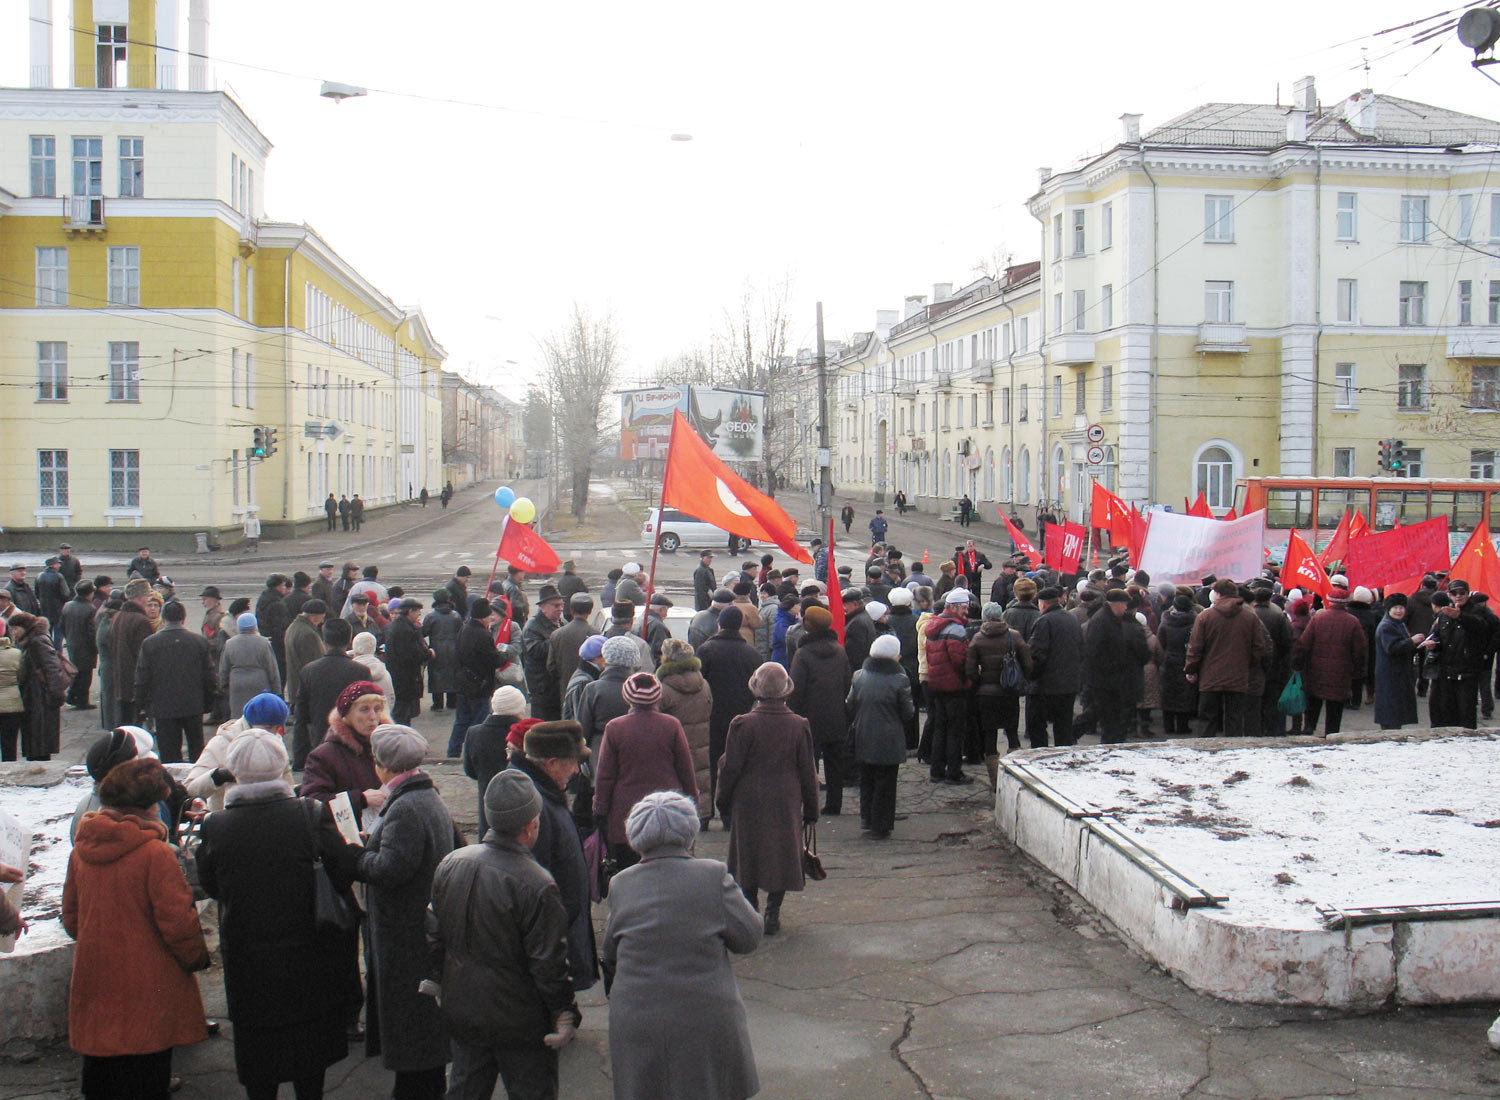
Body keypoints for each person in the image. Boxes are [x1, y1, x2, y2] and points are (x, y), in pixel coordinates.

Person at [196, 731, 362, 1100]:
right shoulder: (308, 814)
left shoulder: (217, 826)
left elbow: (211, 886)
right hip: (307, 948)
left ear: (235, 771)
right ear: (282, 767)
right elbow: (342, 871)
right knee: (309, 1053)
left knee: (259, 1053)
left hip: (248, 954)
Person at [428, 770, 581, 1100]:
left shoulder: (452, 863)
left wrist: (436, 978)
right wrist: (564, 1011)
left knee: (465, 1090)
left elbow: (435, 933)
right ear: (531, 824)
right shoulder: (537, 883)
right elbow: (548, 965)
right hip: (521, 1023)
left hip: (464, 1012)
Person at [63, 757, 209, 1100]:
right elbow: (178, 923)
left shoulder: (82, 850)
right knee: (147, 1079)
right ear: (151, 806)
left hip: (95, 979)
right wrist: (195, 958)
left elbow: (71, 918)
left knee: (101, 1076)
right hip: (149, 985)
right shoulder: (154, 854)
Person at [602, 791, 760, 1100]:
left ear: (636, 837)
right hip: (703, 1014)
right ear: (688, 833)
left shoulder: (621, 884)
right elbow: (749, 936)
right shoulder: (713, 876)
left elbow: (611, 951)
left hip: (637, 1017)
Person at [355, 725, 454, 1100]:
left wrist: (358, 857)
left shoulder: (406, 808)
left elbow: (389, 870)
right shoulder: (424, 797)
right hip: (420, 927)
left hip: (406, 934)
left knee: (413, 1030)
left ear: (382, 766)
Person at [716, 662, 819, 935]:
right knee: (782, 854)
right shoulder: (799, 726)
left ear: (755, 690)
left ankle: (751, 911)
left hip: (748, 799)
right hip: (786, 799)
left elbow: (731, 767)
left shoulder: (742, 724)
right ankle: (773, 912)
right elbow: (808, 771)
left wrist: (722, 799)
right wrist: (811, 809)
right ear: (786, 692)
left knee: (747, 854)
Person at [592, 672, 698, 873]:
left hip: (626, 813)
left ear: (627, 696)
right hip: (668, 812)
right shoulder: (671, 725)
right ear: (657, 696)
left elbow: (605, 775)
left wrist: (600, 809)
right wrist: (692, 802)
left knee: (629, 872)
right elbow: (686, 770)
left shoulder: (615, 728)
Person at [846, 633, 914, 838]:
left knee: (867, 778)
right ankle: (881, 825)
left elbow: (850, 704)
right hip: (889, 737)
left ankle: (866, 818)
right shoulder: (900, 679)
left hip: (863, 734)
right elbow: (908, 712)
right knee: (886, 782)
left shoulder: (859, 675)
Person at [1184, 579, 1270, 738]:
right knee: (1234, 719)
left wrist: (1191, 669)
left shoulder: (1205, 617)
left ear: (1218, 594)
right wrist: (1247, 665)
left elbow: (1195, 647)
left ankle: (1206, 752)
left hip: (1210, 676)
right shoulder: (1250, 617)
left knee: (1207, 719)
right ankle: (1233, 751)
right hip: (1239, 676)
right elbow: (1259, 647)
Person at [696, 606, 762, 814]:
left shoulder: (706, 650)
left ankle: (707, 812)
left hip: (711, 717)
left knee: (709, 765)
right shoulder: (752, 654)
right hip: (741, 717)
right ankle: (729, 810)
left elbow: (699, 684)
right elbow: (757, 688)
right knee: (735, 764)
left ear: (720, 624)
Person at [788, 604, 852, 814]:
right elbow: (847, 683)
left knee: (808, 763)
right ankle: (835, 804)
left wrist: (792, 713)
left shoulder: (803, 653)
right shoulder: (839, 651)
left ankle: (810, 804)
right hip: (835, 716)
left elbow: (795, 688)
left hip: (809, 717)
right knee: (835, 763)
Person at [134, 600, 216, 763]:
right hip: (192, 704)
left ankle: (171, 783)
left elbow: (143, 677)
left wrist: (141, 704)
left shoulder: (150, 643)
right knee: (196, 749)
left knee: (169, 752)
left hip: (164, 706)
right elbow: (209, 676)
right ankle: (195, 782)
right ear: (183, 619)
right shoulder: (198, 642)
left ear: (163, 620)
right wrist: (208, 702)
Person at [299, 681, 390, 820]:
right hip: (347, 836)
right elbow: (312, 803)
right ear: (347, 715)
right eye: (364, 709)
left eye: (377, 709)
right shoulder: (325, 756)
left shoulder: (390, 746)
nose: (372, 717)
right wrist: (360, 799)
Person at [188, 692, 293, 811]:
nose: (275, 732)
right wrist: (217, 776)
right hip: (226, 821)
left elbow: (287, 780)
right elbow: (190, 789)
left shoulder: (274, 740)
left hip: (270, 818)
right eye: (271, 728)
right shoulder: (221, 743)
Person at [966, 602, 1033, 780]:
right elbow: (1028, 663)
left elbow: (970, 670)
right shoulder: (1014, 636)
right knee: (1012, 731)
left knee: (989, 734)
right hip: (1009, 692)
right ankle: (1014, 775)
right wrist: (1021, 679)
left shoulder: (977, 639)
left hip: (986, 694)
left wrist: (980, 682)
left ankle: (995, 780)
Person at [1292, 586, 1368, 736]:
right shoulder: (1353, 622)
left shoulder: (1318, 618)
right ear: (1346, 602)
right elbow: (1360, 650)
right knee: (1335, 707)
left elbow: (1303, 644)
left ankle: (1309, 728)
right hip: (1341, 673)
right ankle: (1332, 735)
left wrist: (1297, 664)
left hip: (1315, 671)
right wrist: (1358, 672)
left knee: (1313, 702)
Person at [292, 619, 367, 770]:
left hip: (320, 743)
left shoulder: (309, 671)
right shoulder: (360, 671)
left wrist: (300, 758)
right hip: (352, 745)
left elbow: (300, 717)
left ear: (324, 639)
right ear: (349, 639)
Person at [1083, 591, 1152, 745]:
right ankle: (1077, 734)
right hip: (1110, 679)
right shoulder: (1104, 621)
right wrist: (1113, 667)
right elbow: (1096, 651)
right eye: (1125, 604)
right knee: (1110, 717)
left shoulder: (1109, 619)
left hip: (1110, 678)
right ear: (1116, 603)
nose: (1126, 607)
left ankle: (1107, 741)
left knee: (1105, 714)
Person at [463, 685, 529, 836]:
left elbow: (470, 770)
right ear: (519, 709)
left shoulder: (474, 733)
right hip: (520, 806)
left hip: (487, 807)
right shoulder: (524, 736)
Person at [923, 590, 974, 783]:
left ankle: (937, 771)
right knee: (955, 731)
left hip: (936, 684)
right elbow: (959, 660)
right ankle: (954, 772)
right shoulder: (956, 629)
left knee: (940, 728)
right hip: (954, 686)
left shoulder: (933, 626)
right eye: (964, 607)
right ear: (953, 607)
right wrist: (970, 673)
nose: (966, 611)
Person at [1027, 586, 1084, 748]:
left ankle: (1041, 760)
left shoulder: (1044, 621)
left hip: (1047, 686)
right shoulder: (1072, 619)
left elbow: (1037, 655)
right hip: (1069, 684)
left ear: (1043, 604)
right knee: (1063, 727)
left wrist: (1031, 678)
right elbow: (1081, 648)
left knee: (1036, 725)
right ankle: (1062, 760)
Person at [11, 611, 68, 761]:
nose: (13, 632)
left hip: (40, 695)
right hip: (33, 694)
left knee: (39, 738)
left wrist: (56, 694)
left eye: (16, 628)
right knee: (34, 738)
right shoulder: (29, 640)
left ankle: (40, 768)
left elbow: (52, 668)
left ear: (25, 627)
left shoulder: (37, 641)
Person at [1423, 590, 1484, 729]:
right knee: (1447, 710)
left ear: (1467, 594)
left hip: (1467, 671)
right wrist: (1433, 646)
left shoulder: (1477, 612)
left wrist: (1461, 616)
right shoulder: (1444, 616)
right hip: (1446, 671)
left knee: (1466, 712)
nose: (1458, 596)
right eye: (1454, 593)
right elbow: (1438, 637)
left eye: (1462, 592)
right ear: (1449, 595)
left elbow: (1482, 629)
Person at [1373, 593, 1423, 731]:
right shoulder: (1387, 626)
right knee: (1391, 712)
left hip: (1397, 674)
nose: (1399, 611)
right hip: (1390, 675)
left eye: (1401, 607)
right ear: (1389, 609)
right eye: (1395, 607)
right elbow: (1392, 648)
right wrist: (1411, 641)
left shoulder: (1398, 624)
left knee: (1396, 712)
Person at [110, 577, 156, 726]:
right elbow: (145, 657)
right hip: (135, 684)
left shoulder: (118, 617)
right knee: (135, 728)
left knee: (124, 724)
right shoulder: (141, 621)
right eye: (148, 596)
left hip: (120, 681)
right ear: (141, 597)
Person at [220, 612, 281, 721]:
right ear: (254, 626)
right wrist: (276, 690)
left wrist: (224, 685)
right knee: (260, 715)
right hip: (259, 683)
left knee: (239, 717)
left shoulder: (230, 643)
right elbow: (272, 668)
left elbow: (224, 668)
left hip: (237, 683)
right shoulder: (263, 643)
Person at [384, 598, 433, 724]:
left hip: (397, 674)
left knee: (402, 710)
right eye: (417, 611)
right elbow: (411, 655)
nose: (419, 614)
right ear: (410, 611)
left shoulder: (395, 626)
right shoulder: (405, 630)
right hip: (405, 677)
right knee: (402, 712)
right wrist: (429, 654)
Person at [523, 585, 566, 720]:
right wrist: (557, 638)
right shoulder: (532, 627)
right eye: (556, 605)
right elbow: (535, 651)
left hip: (557, 686)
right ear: (543, 607)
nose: (560, 609)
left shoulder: (561, 623)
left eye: (561, 605)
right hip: (542, 688)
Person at [284, 599, 329, 722]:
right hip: (307, 691)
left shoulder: (293, 627)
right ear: (314, 617)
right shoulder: (308, 634)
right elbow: (315, 665)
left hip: (295, 686)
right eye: (322, 617)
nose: (322, 621)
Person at [422, 592, 463, 713]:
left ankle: (438, 703)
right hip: (454, 648)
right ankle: (452, 701)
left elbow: (424, 632)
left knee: (436, 675)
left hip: (437, 648)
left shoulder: (431, 617)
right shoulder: (456, 616)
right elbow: (461, 632)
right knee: (452, 674)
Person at [61, 580, 98, 710]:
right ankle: (81, 700)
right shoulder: (90, 608)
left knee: (77, 672)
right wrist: (95, 647)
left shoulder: (67, 606)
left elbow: (62, 626)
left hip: (72, 644)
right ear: (89, 594)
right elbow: (91, 631)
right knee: (85, 675)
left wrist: (69, 638)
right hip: (86, 647)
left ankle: (72, 696)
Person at [0, 627, 22, 760]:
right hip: (12, 703)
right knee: (9, 742)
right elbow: (23, 676)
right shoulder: (16, 654)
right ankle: (9, 770)